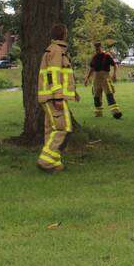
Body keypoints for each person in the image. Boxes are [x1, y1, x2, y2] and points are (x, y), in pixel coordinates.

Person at [36, 23, 79, 173]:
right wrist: (58, 97)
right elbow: (53, 75)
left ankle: (54, 163)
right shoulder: (56, 50)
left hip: (50, 96)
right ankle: (46, 162)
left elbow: (63, 75)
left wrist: (73, 92)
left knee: (51, 130)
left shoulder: (59, 50)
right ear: (64, 34)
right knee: (63, 128)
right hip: (53, 97)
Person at [84, 42, 122, 119]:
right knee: (96, 96)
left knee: (109, 94)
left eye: (98, 48)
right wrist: (87, 78)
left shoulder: (107, 56)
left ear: (101, 47)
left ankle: (115, 112)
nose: (97, 50)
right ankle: (98, 113)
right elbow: (92, 68)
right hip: (96, 78)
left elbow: (115, 65)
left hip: (105, 77)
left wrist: (114, 74)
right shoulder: (94, 57)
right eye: (96, 49)